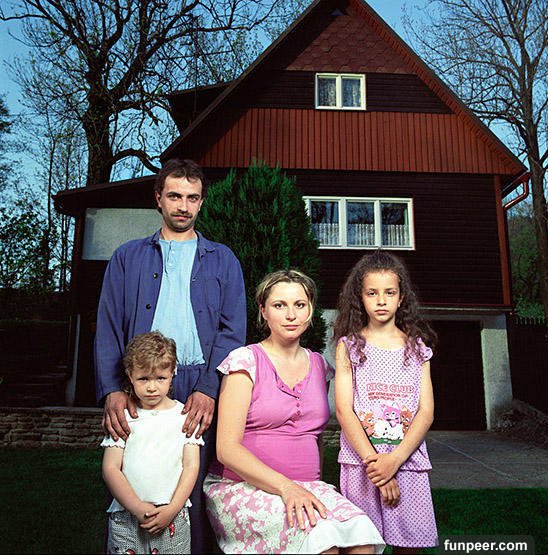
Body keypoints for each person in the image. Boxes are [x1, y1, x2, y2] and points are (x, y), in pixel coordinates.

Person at [94, 158, 247, 553]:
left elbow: (233, 332)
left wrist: (210, 389)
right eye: (175, 196)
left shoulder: (224, 260)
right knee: (132, 475)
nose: (183, 206)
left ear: (201, 202)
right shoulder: (127, 258)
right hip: (140, 384)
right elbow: (108, 326)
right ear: (158, 198)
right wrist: (113, 389)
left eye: (192, 198)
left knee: (193, 484)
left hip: (199, 383)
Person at [203, 269, 385, 554]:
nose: (291, 315)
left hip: (307, 486)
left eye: (300, 305)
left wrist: (310, 485)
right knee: (323, 545)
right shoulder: (244, 361)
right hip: (241, 488)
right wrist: (287, 487)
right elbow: (227, 450)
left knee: (362, 541)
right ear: (263, 311)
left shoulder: (320, 366)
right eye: (279, 305)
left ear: (310, 310)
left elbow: (314, 437)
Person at [333, 250, 439, 553]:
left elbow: (426, 412)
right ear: (360, 297)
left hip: (408, 462)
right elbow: (344, 410)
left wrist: (394, 460)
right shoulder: (349, 347)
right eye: (372, 293)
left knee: (410, 546)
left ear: (401, 297)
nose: (381, 300)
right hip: (361, 464)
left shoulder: (417, 349)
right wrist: (377, 465)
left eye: (389, 292)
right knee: (362, 546)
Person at [101, 331, 204, 554]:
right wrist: (137, 508)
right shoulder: (123, 417)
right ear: (129, 375)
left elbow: (191, 466)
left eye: (160, 378)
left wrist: (172, 509)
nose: (151, 387)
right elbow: (110, 468)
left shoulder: (186, 417)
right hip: (127, 517)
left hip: (173, 516)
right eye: (143, 378)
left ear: (173, 372)